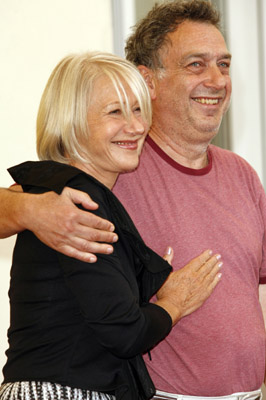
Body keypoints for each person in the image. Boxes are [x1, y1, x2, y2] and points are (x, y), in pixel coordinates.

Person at [0, 0, 266, 399]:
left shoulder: (242, 174)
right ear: (149, 80)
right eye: (196, 64)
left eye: (224, 65)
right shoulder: (114, 165)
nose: (216, 79)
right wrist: (32, 209)